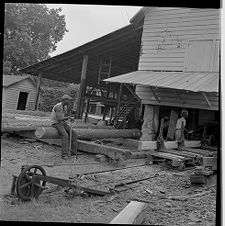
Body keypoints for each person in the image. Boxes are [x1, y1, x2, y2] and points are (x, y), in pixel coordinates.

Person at [50, 94, 77, 160]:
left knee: (74, 133)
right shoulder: (58, 106)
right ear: (64, 100)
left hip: (62, 123)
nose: (70, 101)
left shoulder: (65, 107)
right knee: (65, 135)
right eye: (69, 100)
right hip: (56, 123)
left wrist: (71, 118)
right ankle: (64, 155)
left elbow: (64, 117)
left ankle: (73, 152)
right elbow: (59, 118)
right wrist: (69, 117)